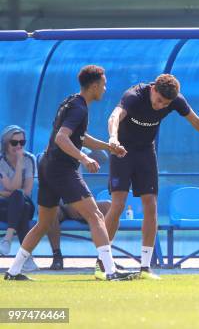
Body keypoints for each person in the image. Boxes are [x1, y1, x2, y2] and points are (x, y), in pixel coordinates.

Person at [4, 65, 137, 281]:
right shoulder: (79, 108)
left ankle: (13, 271)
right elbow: (62, 138)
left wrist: (108, 147)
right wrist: (84, 158)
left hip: (47, 165)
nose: (105, 88)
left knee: (44, 222)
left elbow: (79, 136)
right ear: (94, 86)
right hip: (61, 169)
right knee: (95, 215)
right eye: (103, 84)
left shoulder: (71, 101)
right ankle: (110, 272)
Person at [105, 74, 199, 280]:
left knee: (151, 205)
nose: (160, 106)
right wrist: (113, 137)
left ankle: (145, 268)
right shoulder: (134, 96)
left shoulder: (175, 101)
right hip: (122, 151)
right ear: (153, 89)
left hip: (146, 152)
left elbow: (196, 121)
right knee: (118, 204)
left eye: (165, 104)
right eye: (158, 101)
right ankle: (102, 263)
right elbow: (115, 116)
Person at [0, 125, 38, 272]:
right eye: (14, 143)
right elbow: (14, 187)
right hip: (5, 207)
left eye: (22, 143)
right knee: (21, 206)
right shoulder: (1, 160)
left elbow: (26, 192)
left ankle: (7, 240)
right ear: (5, 143)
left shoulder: (29, 159)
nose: (18, 146)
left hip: (22, 202)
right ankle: (27, 259)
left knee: (20, 199)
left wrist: (20, 161)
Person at [46, 200, 111, 271]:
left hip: (80, 203)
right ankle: (57, 255)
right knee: (51, 211)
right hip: (60, 207)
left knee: (108, 205)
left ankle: (105, 258)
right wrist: (69, 206)